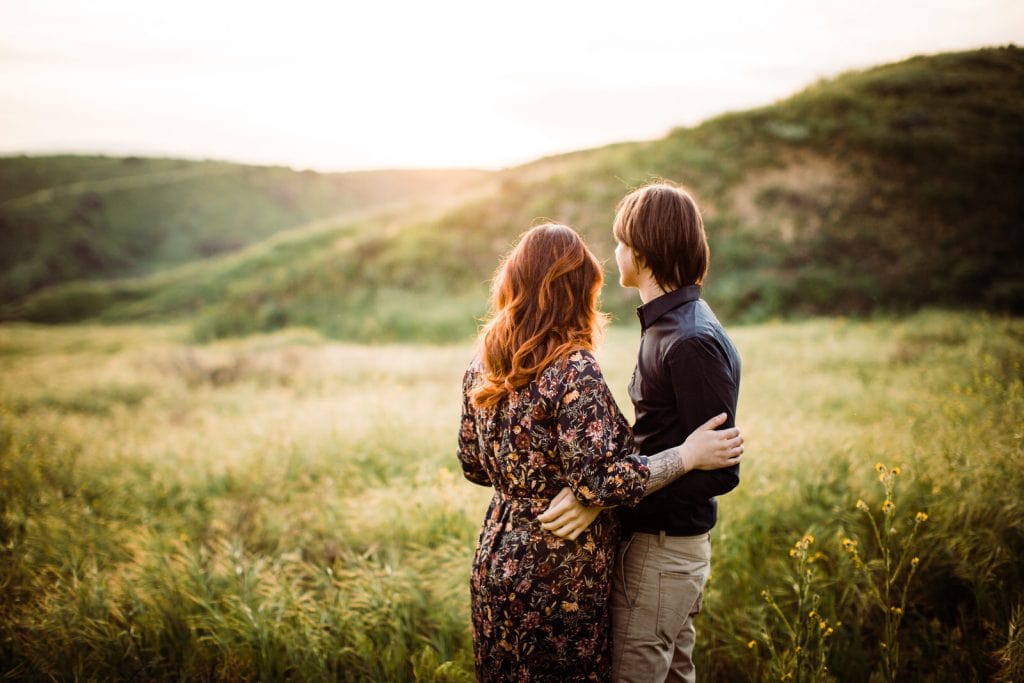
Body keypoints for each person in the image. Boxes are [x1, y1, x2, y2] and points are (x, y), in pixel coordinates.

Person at [457, 222, 743, 682]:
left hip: (497, 554)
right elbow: (598, 481)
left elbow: (473, 464)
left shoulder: (482, 363)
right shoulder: (573, 369)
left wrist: (528, 486)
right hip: (559, 567)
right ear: (578, 289)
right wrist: (686, 455)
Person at [538, 183, 741, 682]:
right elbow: (665, 440)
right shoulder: (668, 327)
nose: (615, 253)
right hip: (660, 546)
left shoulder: (688, 339)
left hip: (663, 550)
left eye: (620, 241)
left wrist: (603, 498)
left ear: (643, 252)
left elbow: (717, 469)